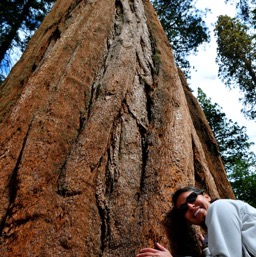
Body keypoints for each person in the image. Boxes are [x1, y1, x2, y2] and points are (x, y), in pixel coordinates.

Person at [136, 186, 256, 257]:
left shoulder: (220, 206)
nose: (190, 206)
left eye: (192, 198)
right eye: (183, 209)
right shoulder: (212, 236)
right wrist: (209, 248)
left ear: (207, 196)